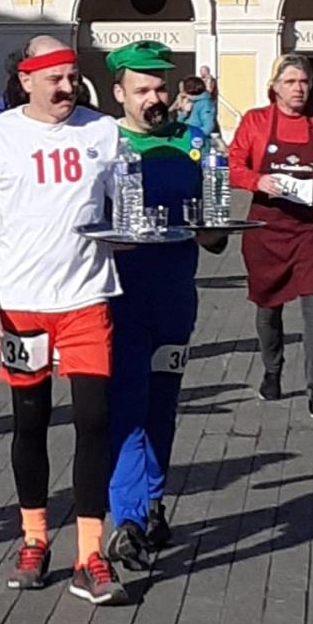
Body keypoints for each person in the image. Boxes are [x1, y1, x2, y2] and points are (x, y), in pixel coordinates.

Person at [0, 35, 128, 606]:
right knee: (29, 422)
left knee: (94, 420)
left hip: (86, 299)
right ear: (25, 80)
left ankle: (90, 552)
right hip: (20, 305)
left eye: (72, 76)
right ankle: (33, 538)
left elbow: (123, 208)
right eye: (53, 77)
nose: (66, 87)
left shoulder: (103, 132)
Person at [104, 41, 227, 569]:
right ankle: (126, 517)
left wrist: (211, 229)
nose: (153, 98)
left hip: (176, 295)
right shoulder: (102, 144)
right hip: (116, 298)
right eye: (142, 89)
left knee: (162, 403)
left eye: (160, 87)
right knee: (124, 404)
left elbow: (216, 236)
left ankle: (152, 502)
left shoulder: (196, 143)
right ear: (119, 93)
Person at [229, 53, 313, 422]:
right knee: (267, 307)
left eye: (303, 81)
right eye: (290, 82)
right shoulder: (256, 122)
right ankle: (272, 370)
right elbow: (233, 164)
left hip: (311, 229)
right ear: (274, 87)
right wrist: (257, 180)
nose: (298, 88)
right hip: (266, 230)